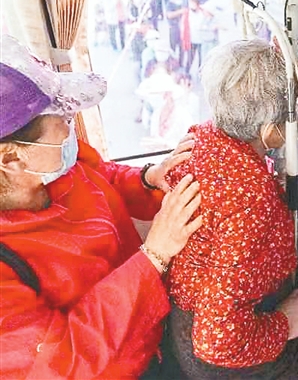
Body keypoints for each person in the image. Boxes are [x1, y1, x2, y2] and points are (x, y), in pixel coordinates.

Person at [161, 39, 298, 379]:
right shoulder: (251, 201)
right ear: (269, 131)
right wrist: (285, 323)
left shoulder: (202, 137)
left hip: (194, 313)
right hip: (218, 352)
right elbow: (216, 341)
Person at [0, 35, 202, 379]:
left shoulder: (55, 167)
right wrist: (154, 256)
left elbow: (100, 177)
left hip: (152, 332)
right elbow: (64, 358)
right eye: (63, 120)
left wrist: (148, 178)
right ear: (12, 159)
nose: (71, 127)